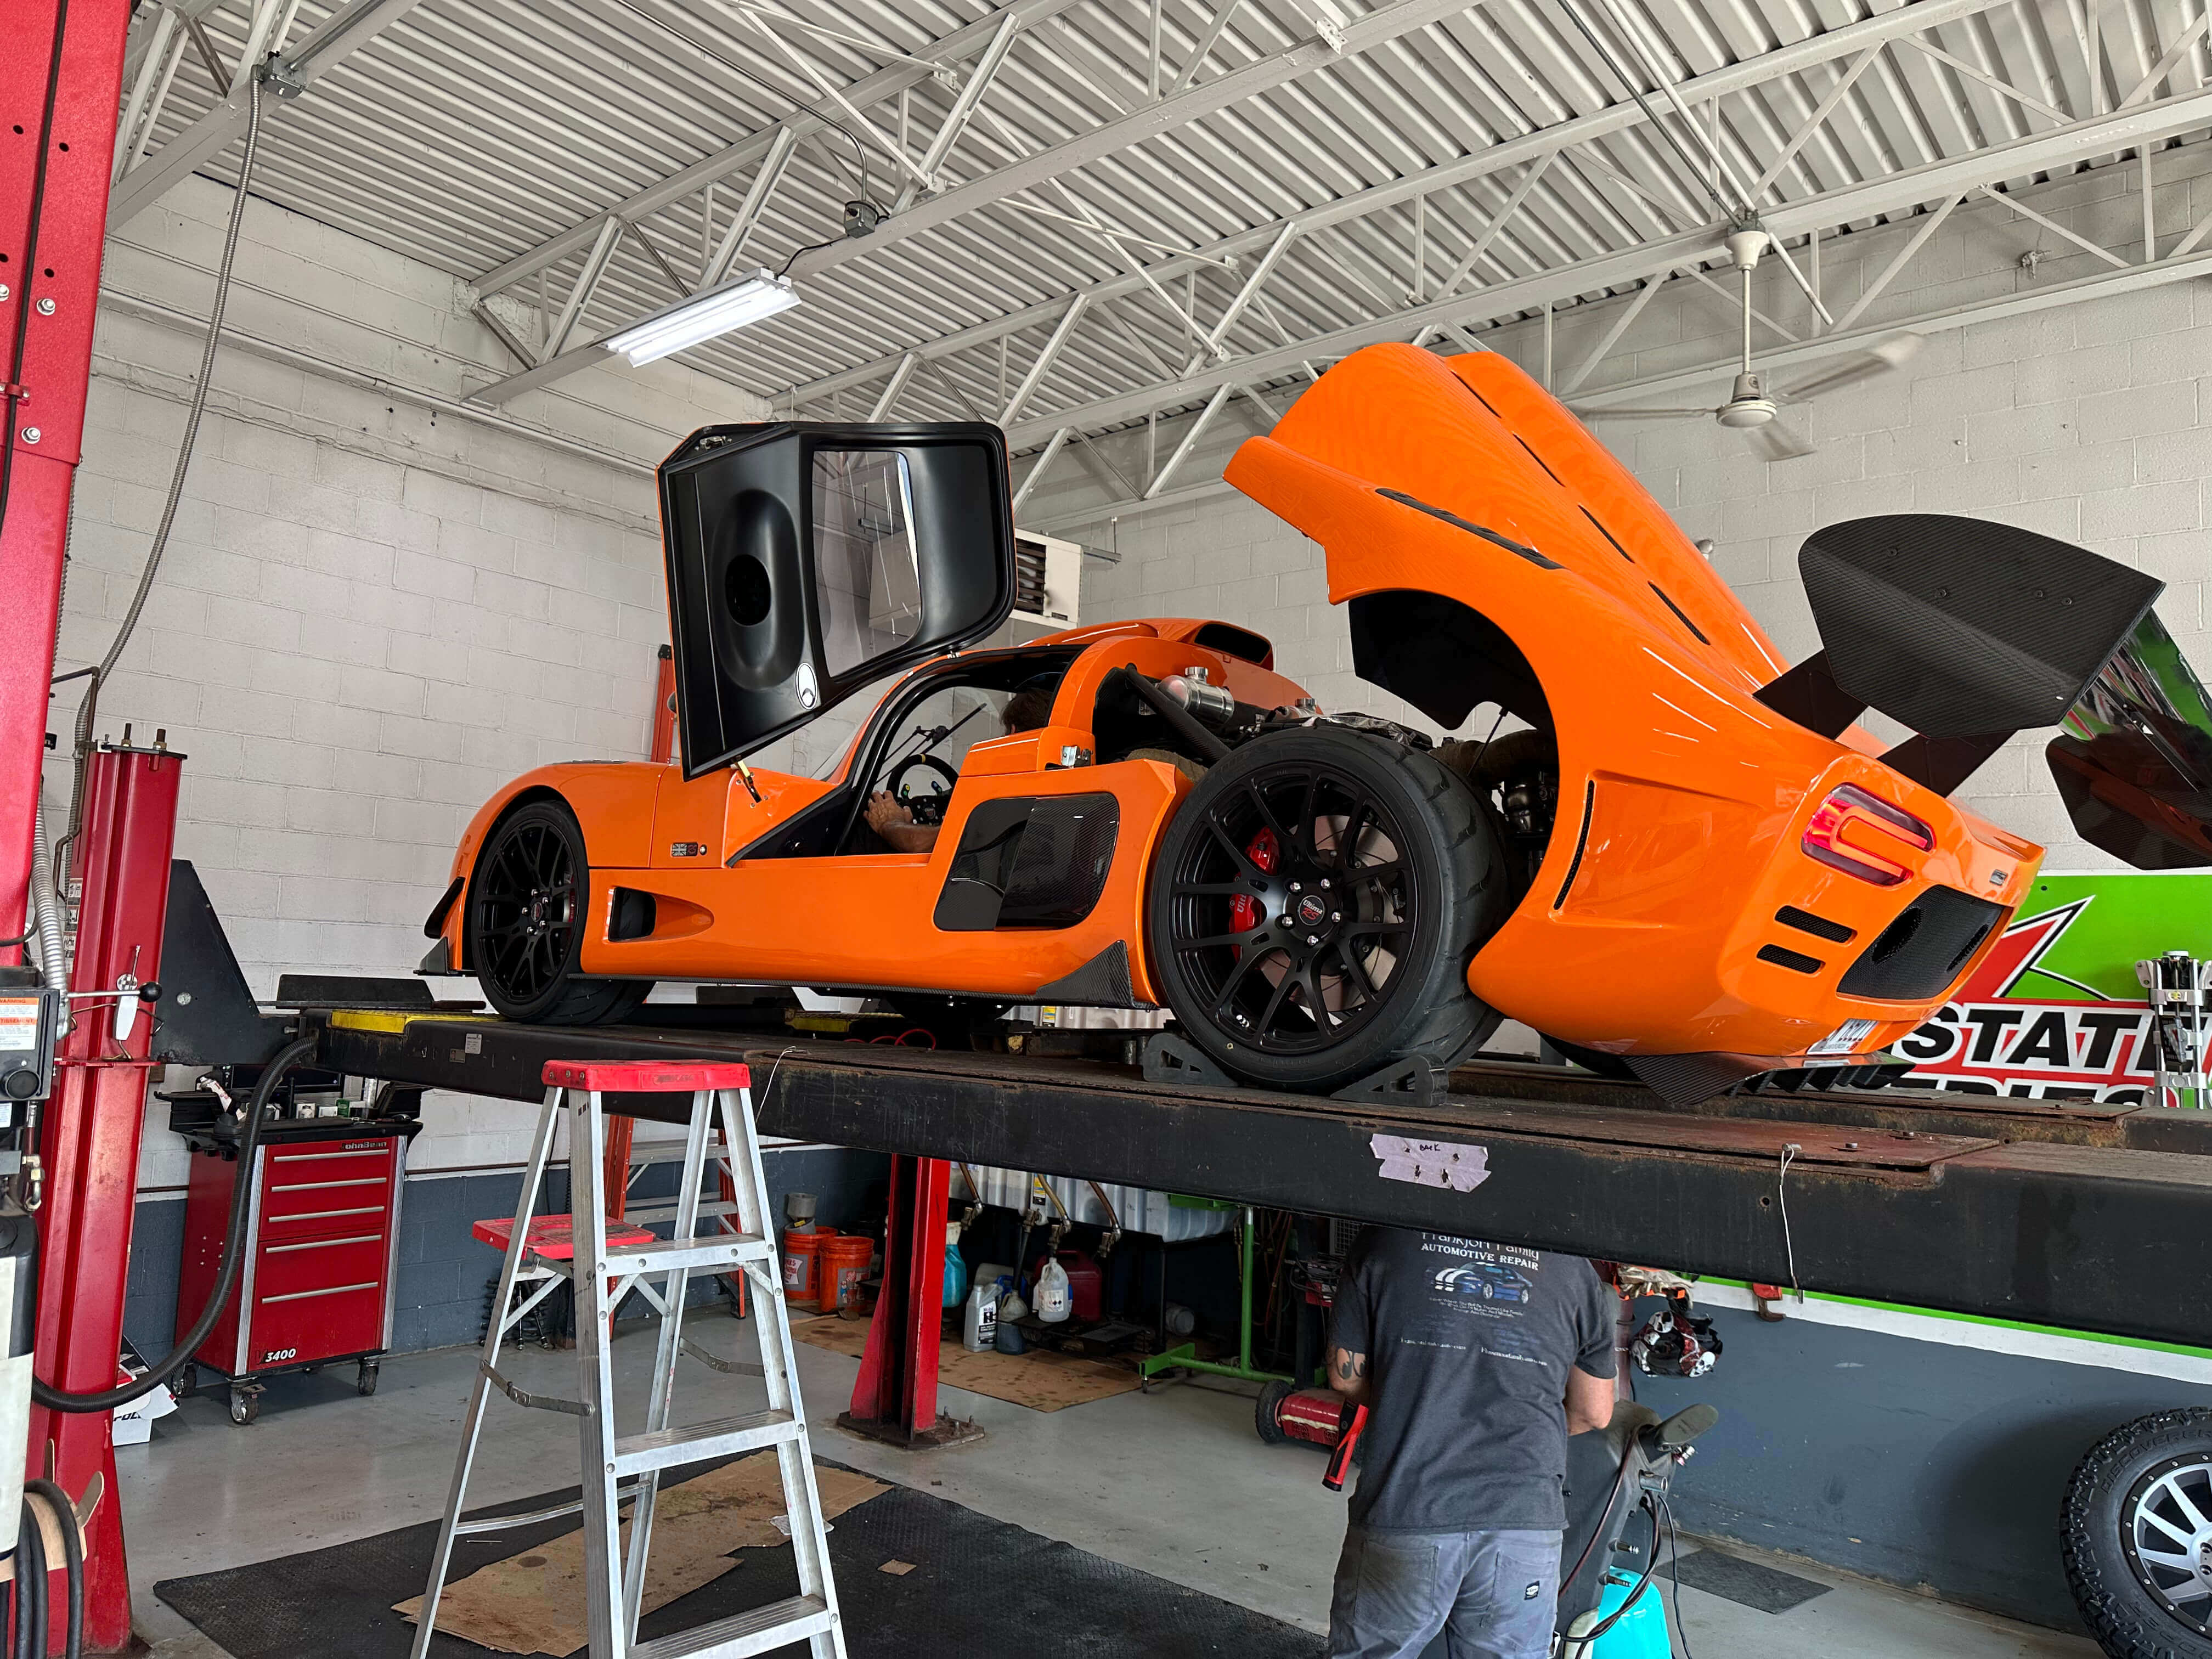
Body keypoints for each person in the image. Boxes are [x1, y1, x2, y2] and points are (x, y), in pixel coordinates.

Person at [1324, 1228, 1617, 1659]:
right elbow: (1594, 1411)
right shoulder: (1574, 1268)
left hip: (1408, 1507)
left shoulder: (1385, 1239)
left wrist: (1410, 1402)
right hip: (1522, 1517)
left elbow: (1345, 1375)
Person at [862, 682, 1056, 853]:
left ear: (1013, 732)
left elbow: (918, 843)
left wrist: (890, 823)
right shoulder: (1059, 790)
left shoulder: (1010, 796)